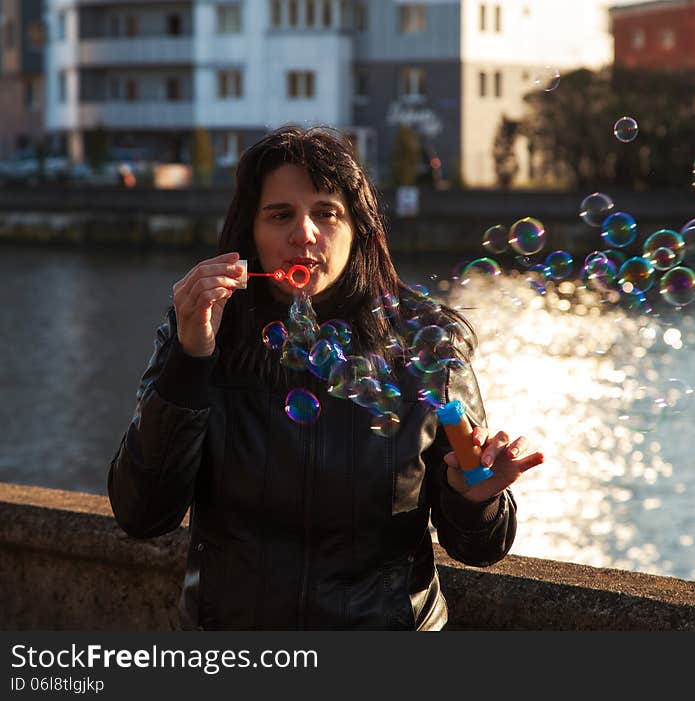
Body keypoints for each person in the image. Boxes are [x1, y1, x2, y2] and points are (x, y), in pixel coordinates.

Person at [107, 125, 544, 630]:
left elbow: (479, 548)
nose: (304, 234)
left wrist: (478, 498)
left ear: (359, 228)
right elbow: (140, 514)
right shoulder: (204, 333)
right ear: (249, 232)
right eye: (279, 215)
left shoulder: (424, 342)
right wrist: (190, 360)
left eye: (326, 213)